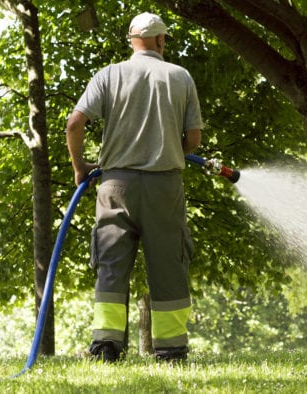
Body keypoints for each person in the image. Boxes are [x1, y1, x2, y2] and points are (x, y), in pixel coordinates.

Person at [65, 11, 203, 362]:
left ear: (131, 41)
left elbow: (74, 123)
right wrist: (169, 148)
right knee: (169, 266)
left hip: (115, 186)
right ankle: (171, 351)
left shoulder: (108, 75)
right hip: (165, 187)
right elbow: (193, 139)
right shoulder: (179, 76)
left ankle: (106, 347)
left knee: (111, 265)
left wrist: (80, 167)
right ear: (160, 40)